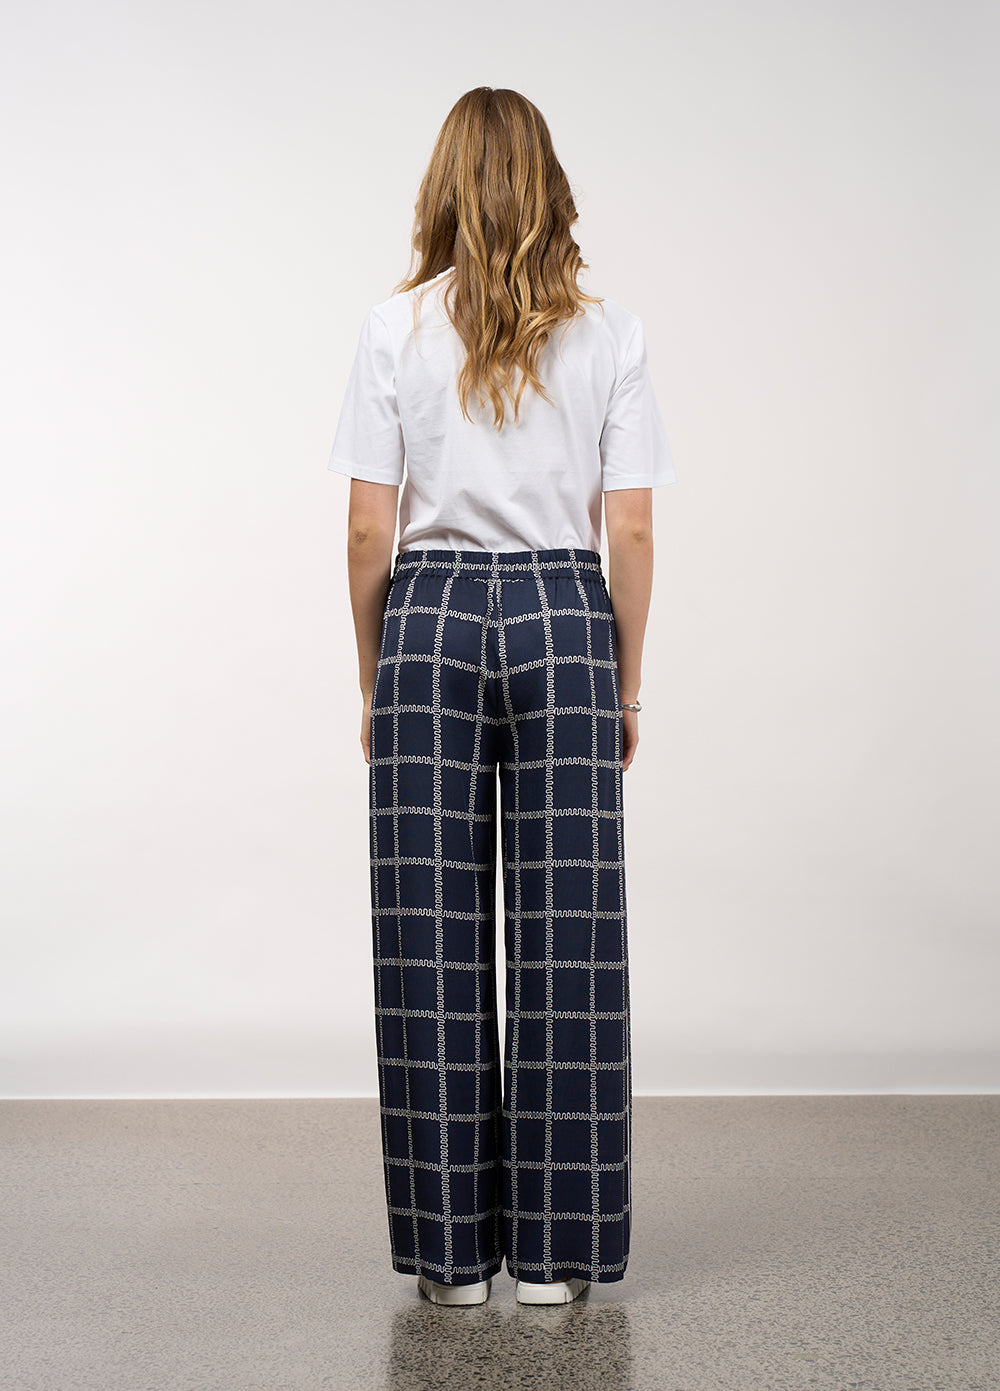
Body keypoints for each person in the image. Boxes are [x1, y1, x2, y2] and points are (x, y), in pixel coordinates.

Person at [327, 87, 677, 1307]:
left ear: (442, 187)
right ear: (547, 187)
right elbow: (629, 529)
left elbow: (367, 528)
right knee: (569, 936)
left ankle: (450, 1261)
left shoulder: (393, 327)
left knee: (426, 935)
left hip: (426, 615)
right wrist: (624, 679)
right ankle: (557, 1258)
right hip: (565, 616)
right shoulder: (611, 335)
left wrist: (374, 672)